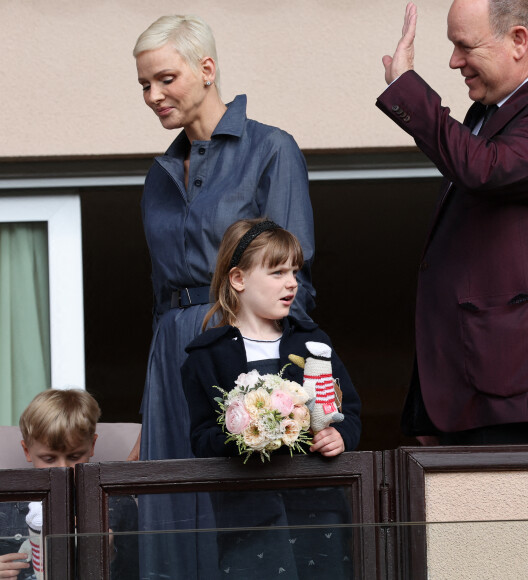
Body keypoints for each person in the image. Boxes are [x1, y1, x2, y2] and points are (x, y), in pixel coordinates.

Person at [131, 15, 315, 578]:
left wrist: (286, 378)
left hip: (239, 351)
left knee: (240, 510)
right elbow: (161, 293)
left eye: (165, 78)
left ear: (207, 69)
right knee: (167, 510)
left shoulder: (270, 149)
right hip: (170, 354)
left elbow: (293, 277)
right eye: (143, 85)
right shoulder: (159, 176)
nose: (153, 95)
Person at [377, 0, 528, 445]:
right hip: (478, 395)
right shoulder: (488, 115)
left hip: (525, 400)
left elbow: (485, 170)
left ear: (519, 40)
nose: (454, 62)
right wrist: (432, 411)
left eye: (464, 47)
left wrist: (408, 90)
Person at [181, 218, 361, 578]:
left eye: (294, 271)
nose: (292, 282)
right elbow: (202, 439)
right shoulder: (206, 356)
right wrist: (247, 433)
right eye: (277, 272)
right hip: (247, 516)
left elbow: (349, 411)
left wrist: (341, 435)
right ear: (238, 279)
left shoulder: (313, 341)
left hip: (318, 508)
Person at [0, 389, 138, 580]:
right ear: (27, 451)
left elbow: (142, 570)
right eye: (49, 458)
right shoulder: (4, 506)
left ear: (92, 446)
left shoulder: (117, 503)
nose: (62, 468)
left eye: (74, 457)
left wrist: (110, 555)